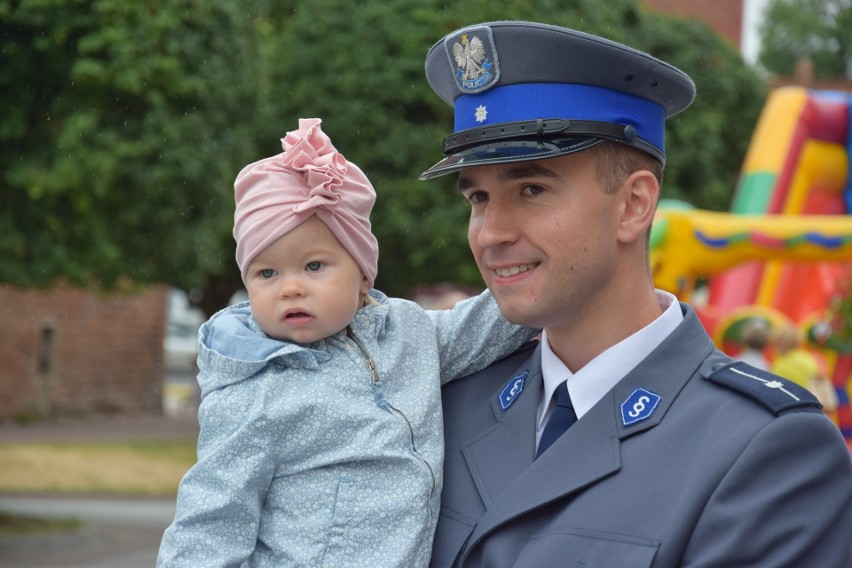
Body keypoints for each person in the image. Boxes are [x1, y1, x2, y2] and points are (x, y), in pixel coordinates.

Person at [419, 21, 852, 567]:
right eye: (478, 197)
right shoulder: (446, 405)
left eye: (531, 190)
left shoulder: (766, 451)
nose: (491, 232)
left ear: (634, 205)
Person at [156, 118, 538, 567]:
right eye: (267, 273)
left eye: (314, 266)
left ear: (361, 274)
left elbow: (492, 324)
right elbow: (210, 524)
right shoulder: (255, 392)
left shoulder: (410, 334)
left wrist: (576, 286)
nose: (290, 288)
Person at [772, 323, 838, 412]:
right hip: (812, 406)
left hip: (792, 408)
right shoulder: (808, 358)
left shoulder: (780, 364)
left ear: (778, 343)